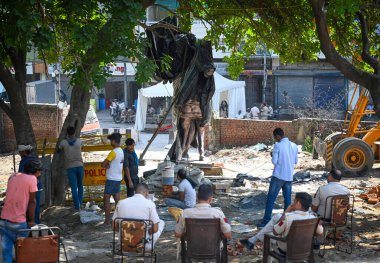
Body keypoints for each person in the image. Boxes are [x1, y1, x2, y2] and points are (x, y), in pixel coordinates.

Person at [240, 192, 323, 252]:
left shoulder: (288, 217)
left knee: (267, 235)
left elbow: (275, 232)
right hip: (305, 247)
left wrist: (286, 212)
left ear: (298, 203)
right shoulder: (313, 218)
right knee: (277, 217)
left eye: (294, 201)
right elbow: (320, 232)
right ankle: (252, 240)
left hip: (287, 248)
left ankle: (269, 258)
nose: (292, 203)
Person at [0, 159, 41, 263]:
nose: (40, 174)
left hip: (4, 221)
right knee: (23, 252)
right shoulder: (32, 179)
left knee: (7, 252)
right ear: (35, 171)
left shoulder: (13, 176)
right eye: (39, 171)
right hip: (18, 223)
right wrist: (31, 221)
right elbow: (32, 202)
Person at [258, 128, 298, 228]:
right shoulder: (294, 145)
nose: (275, 139)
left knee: (271, 199)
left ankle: (266, 221)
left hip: (278, 176)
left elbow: (274, 162)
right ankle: (285, 221)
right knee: (287, 200)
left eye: (275, 137)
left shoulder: (278, 145)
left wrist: (272, 155)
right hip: (289, 176)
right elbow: (295, 161)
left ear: (277, 136)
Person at [112, 183, 165, 251]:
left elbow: (114, 227)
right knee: (161, 222)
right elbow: (155, 229)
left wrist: (128, 231)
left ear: (134, 192)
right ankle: (147, 254)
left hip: (123, 245)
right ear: (146, 193)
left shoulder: (121, 203)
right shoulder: (150, 204)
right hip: (143, 246)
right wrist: (146, 232)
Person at [59, 126, 84, 210]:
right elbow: (82, 146)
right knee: (80, 186)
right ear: (74, 133)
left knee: (74, 187)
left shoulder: (63, 142)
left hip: (70, 167)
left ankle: (77, 206)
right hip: (80, 165)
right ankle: (80, 203)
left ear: (67, 133)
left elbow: (59, 148)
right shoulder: (79, 141)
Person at [101, 133, 124, 225]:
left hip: (111, 179)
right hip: (118, 178)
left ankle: (107, 220)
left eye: (111, 140)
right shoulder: (121, 151)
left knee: (106, 199)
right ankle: (120, 218)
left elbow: (103, 164)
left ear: (114, 141)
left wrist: (106, 165)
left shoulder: (113, 152)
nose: (110, 142)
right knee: (117, 200)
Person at [17, 145, 41, 224]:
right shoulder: (36, 159)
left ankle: (28, 224)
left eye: (20, 152)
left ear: (24, 152)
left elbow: (21, 175)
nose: (20, 153)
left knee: (28, 205)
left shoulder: (23, 161)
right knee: (36, 205)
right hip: (38, 185)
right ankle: (36, 222)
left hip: (27, 187)